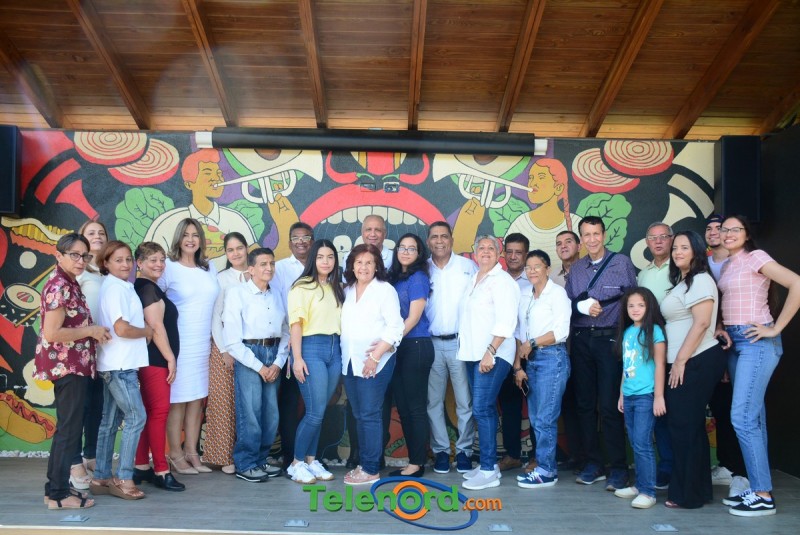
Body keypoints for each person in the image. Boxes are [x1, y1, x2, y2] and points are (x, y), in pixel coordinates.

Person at [717, 215, 800, 517]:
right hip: (736, 342)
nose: (728, 234)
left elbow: (796, 283)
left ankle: (763, 496)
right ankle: (757, 487)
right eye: (724, 229)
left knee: (742, 417)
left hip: (757, 342)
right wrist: (722, 327)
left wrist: (775, 328)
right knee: (755, 419)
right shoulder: (728, 265)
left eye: (735, 229)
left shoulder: (756, 257)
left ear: (747, 234)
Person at [35, 233, 110, 510]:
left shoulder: (69, 282)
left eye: (85, 256)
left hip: (75, 365)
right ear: (59, 255)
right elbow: (53, 333)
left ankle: (54, 491)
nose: (80, 260)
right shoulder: (59, 286)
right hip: (68, 367)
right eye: (74, 255)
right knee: (69, 430)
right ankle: (58, 494)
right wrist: (91, 330)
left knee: (67, 429)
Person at [565, 216, 636, 490]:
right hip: (582, 340)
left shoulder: (622, 263)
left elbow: (634, 302)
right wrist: (581, 307)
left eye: (596, 234)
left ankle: (618, 468)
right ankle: (593, 463)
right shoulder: (576, 269)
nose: (592, 239)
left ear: (604, 235)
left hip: (610, 340)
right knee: (584, 405)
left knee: (609, 406)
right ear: (581, 239)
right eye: (587, 235)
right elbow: (567, 306)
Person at [660, 230, 727, 509]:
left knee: (683, 427)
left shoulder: (700, 279)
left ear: (697, 251)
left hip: (696, 360)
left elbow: (701, 323)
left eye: (684, 247)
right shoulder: (684, 281)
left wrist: (680, 361)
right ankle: (697, 491)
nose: (677, 252)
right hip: (687, 361)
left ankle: (686, 494)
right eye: (675, 248)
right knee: (689, 426)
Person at [91, 241, 152, 500]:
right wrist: (147, 331)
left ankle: (101, 476)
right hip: (120, 366)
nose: (126, 264)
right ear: (105, 263)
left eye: (128, 259)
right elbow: (122, 329)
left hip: (116, 363)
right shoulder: (116, 288)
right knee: (136, 417)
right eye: (118, 260)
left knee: (110, 422)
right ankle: (125, 478)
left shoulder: (119, 285)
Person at [159, 218, 220, 475]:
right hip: (179, 343)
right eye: (186, 235)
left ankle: (192, 453)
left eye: (195, 235)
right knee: (178, 401)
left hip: (202, 343)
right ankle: (175, 453)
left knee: (196, 400)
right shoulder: (169, 268)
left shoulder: (209, 267)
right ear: (178, 238)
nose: (191, 239)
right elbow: (154, 302)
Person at [223, 248, 290, 482]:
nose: (269, 268)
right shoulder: (237, 294)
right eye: (263, 264)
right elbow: (232, 341)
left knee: (271, 414)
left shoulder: (277, 294)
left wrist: (278, 363)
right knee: (250, 412)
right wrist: (260, 367)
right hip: (249, 354)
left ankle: (261, 459)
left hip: (274, 353)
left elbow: (286, 330)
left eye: (272, 263)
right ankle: (246, 463)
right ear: (250, 269)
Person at [459, 236, 520, 491]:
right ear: (474, 253)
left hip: (492, 354)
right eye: (481, 248)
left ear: (499, 253)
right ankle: (489, 465)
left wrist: (490, 351)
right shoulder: (475, 278)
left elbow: (507, 320)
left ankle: (487, 470)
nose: (485, 252)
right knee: (484, 409)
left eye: (490, 248)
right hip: (473, 354)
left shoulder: (502, 281)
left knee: (483, 408)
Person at [340, 244, 404, 485]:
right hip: (350, 360)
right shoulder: (347, 290)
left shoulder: (385, 290)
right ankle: (365, 464)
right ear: (352, 266)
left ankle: (370, 469)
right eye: (359, 262)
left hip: (376, 362)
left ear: (377, 266)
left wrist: (375, 356)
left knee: (369, 414)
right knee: (359, 414)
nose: (363, 267)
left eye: (369, 262)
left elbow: (395, 327)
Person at [286, 239, 343, 484]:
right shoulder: (301, 287)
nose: (326, 261)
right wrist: (297, 358)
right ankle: (296, 463)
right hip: (311, 348)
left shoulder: (336, 287)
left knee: (320, 410)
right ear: (313, 259)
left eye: (330, 257)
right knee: (314, 412)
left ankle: (311, 460)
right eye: (320, 257)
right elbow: (296, 325)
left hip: (334, 349)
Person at [513, 250, 571, 489]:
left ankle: (547, 471)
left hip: (552, 358)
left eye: (537, 266)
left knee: (545, 417)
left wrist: (533, 343)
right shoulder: (525, 294)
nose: (532, 271)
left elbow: (561, 331)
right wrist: (518, 366)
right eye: (528, 267)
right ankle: (543, 467)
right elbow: (519, 332)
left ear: (547, 268)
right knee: (537, 417)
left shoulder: (557, 294)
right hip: (531, 360)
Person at [145, 149, 257, 270]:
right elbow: (147, 269)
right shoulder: (166, 223)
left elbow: (257, 257)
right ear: (189, 184)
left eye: (219, 173)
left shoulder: (236, 219)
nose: (216, 178)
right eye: (208, 173)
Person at [425, 221, 477, 474]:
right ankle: (442, 452)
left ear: (452, 240)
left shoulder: (468, 267)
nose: (439, 241)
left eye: (444, 236)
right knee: (433, 401)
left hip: (461, 343)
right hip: (432, 344)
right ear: (428, 241)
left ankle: (465, 451)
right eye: (434, 237)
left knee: (464, 401)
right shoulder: (422, 269)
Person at [131, 242, 184, 492]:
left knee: (149, 413)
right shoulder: (147, 289)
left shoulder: (147, 287)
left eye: (162, 260)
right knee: (159, 413)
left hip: (151, 360)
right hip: (156, 361)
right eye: (152, 260)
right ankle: (162, 471)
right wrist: (170, 357)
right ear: (139, 263)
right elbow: (156, 327)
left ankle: (141, 466)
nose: (159, 264)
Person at [703, 213, 748, 497]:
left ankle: (742, 471)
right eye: (708, 228)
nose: (713, 232)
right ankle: (727, 465)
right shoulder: (703, 264)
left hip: (739, 341)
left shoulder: (740, 262)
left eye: (718, 228)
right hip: (712, 341)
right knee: (719, 407)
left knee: (739, 409)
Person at [613, 287, 666, 509]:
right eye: (631, 305)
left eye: (641, 305)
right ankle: (639, 486)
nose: (635, 309)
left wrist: (659, 396)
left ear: (649, 307)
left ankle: (648, 492)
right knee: (635, 442)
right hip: (629, 395)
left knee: (643, 443)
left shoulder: (655, 331)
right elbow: (626, 367)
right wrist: (621, 394)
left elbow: (660, 365)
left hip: (646, 395)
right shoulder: (627, 333)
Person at [387, 233, 434, 478]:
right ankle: (412, 462)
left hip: (416, 344)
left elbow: (414, 318)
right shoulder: (394, 278)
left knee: (415, 407)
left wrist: (390, 342)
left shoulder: (418, 278)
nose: (406, 252)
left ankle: (417, 463)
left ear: (419, 253)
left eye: (411, 248)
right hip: (399, 347)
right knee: (403, 408)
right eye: (402, 247)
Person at [205, 232, 250, 475]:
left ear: (246, 249)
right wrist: (224, 350)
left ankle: (248, 455)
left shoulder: (258, 273)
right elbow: (216, 317)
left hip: (251, 346)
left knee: (248, 403)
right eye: (230, 250)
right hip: (225, 347)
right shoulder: (221, 279)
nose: (235, 253)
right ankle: (223, 457)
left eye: (239, 248)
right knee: (224, 403)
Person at [274, 222, 315, 471]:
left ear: (312, 241)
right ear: (289, 243)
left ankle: (311, 457)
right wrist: (287, 336)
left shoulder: (321, 264)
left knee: (315, 404)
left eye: (305, 237)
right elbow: (276, 303)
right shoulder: (279, 268)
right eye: (296, 238)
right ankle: (290, 457)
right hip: (289, 343)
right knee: (289, 402)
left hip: (317, 343)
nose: (300, 242)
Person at [637, 222, 674, 490]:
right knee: (658, 410)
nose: (658, 242)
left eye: (663, 237)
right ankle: (666, 467)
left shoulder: (682, 267)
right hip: (651, 349)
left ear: (672, 239)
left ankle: (683, 468)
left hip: (681, 347)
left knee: (678, 410)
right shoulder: (643, 274)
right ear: (647, 242)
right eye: (653, 238)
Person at [73, 220, 109, 487]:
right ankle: (73, 463)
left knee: (97, 406)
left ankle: (91, 456)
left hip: (103, 351)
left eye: (101, 233)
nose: (97, 236)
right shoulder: (78, 271)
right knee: (79, 407)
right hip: (79, 350)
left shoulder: (107, 270)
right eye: (91, 233)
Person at [506, 158, 582, 267]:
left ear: (558, 188)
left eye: (541, 177)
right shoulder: (520, 223)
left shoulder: (576, 223)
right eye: (531, 178)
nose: (533, 183)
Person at [497, 233, 531, 473]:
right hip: (504, 350)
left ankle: (539, 457)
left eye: (518, 252)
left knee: (536, 406)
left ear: (526, 254)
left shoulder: (534, 280)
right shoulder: (497, 279)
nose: (513, 256)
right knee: (508, 404)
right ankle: (512, 455)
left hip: (531, 351)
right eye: (509, 251)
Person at [553, 229, 583, 471]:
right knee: (569, 404)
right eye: (559, 243)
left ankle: (592, 458)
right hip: (560, 350)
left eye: (568, 241)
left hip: (585, 344)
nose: (563, 246)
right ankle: (576, 456)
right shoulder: (552, 277)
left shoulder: (588, 271)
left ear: (579, 245)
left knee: (587, 402)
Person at [705, 214, 729, 281]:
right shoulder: (702, 264)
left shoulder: (739, 261)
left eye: (718, 228)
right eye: (709, 229)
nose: (712, 233)